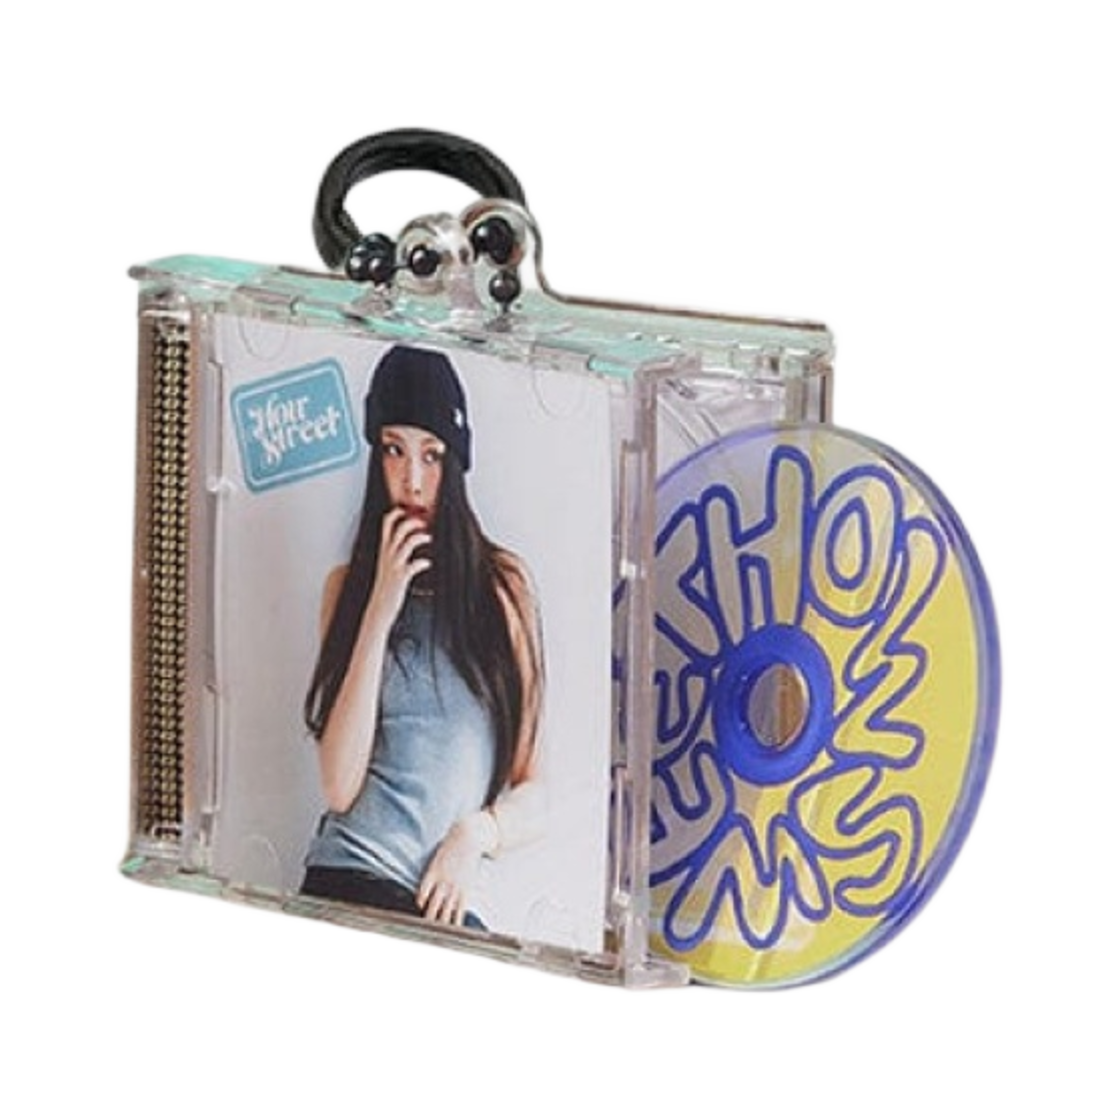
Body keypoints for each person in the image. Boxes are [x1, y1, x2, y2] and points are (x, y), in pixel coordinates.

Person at [301, 344, 544, 929]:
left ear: (455, 463)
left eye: (432, 455)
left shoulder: (503, 588)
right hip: (346, 878)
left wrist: (475, 834)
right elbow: (338, 786)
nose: (412, 481)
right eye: (394, 450)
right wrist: (381, 607)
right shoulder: (347, 588)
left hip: (444, 907)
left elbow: (536, 789)